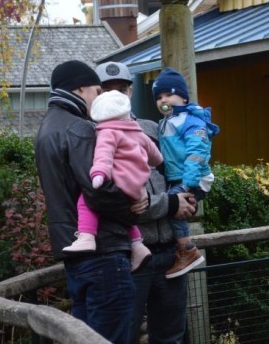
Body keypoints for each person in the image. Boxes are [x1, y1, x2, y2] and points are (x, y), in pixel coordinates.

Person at [35, 60, 141, 343]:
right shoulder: (79, 128)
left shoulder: (47, 127)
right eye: (96, 90)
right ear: (79, 88)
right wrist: (133, 210)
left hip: (74, 255)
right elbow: (97, 188)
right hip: (103, 252)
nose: (100, 98)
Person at [95, 61, 198, 344]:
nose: (115, 94)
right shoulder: (96, 135)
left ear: (130, 91)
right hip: (130, 257)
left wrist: (189, 200)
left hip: (170, 254)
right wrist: (170, 204)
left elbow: (175, 174)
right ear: (98, 93)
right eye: (107, 89)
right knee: (124, 335)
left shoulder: (153, 128)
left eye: (121, 89)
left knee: (171, 335)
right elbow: (114, 201)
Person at [62, 90, 163, 274]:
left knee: (86, 201)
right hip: (139, 184)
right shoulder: (138, 131)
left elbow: (104, 155)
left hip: (121, 181)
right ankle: (138, 246)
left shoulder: (108, 132)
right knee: (122, 215)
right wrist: (156, 163)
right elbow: (156, 156)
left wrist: (99, 173)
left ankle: (86, 237)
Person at [152, 67, 220, 278]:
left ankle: (188, 250)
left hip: (195, 177)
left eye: (169, 94)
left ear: (182, 97)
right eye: (159, 97)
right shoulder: (165, 123)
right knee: (173, 205)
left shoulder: (191, 121)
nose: (164, 99)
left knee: (173, 202)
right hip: (177, 178)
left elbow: (197, 152)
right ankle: (183, 248)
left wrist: (189, 183)